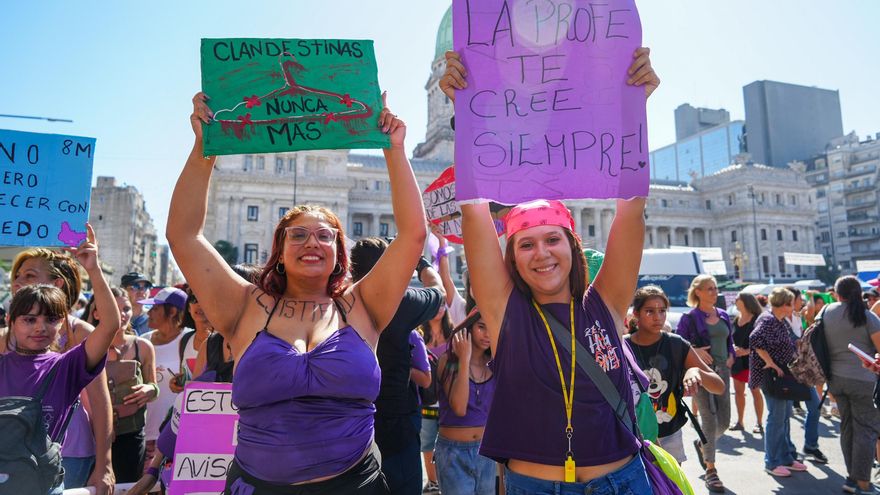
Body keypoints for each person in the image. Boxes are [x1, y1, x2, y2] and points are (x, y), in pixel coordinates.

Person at [168, 91, 425, 493]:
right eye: (298, 235)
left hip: (355, 484)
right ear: (280, 250)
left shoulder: (362, 305)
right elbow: (183, 236)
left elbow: (412, 236)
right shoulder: (245, 305)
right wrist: (206, 147)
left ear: (339, 253)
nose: (312, 243)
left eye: (325, 236)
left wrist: (394, 149)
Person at [446, 44, 659, 493]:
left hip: (623, 481)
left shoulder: (606, 303)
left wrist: (633, 108)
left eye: (552, 239)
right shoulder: (506, 314)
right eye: (526, 244)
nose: (541, 253)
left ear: (573, 247)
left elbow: (631, 208)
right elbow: (473, 209)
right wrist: (466, 114)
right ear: (512, 259)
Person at [0, 225, 120, 495]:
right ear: (11, 321)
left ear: (62, 321)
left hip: (46, 484)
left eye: (51, 319)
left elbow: (110, 325)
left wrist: (94, 269)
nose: (40, 327)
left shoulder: (67, 366)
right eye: (29, 319)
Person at [350, 236, 445, 494]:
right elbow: (438, 291)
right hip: (396, 426)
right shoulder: (401, 302)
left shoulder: (337, 303)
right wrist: (420, 263)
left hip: (351, 426)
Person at [626, 286, 724, 471]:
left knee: (670, 484)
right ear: (636, 314)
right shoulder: (622, 346)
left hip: (669, 435)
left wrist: (696, 371)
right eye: (650, 311)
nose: (658, 317)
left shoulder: (676, 344)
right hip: (631, 436)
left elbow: (719, 386)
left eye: (662, 311)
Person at [85, 287, 158, 483]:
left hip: (131, 435)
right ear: (97, 313)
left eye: (126, 309)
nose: (122, 314)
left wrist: (149, 390)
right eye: (114, 309)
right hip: (92, 435)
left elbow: (154, 386)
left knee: (127, 487)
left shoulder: (143, 346)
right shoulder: (86, 345)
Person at [675, 274, 734, 489]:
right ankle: (711, 469)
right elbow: (678, 343)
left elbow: (729, 341)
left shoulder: (724, 315)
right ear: (697, 292)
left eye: (715, 288)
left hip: (723, 371)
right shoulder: (689, 317)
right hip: (700, 372)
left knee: (724, 422)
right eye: (709, 288)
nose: (714, 292)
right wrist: (696, 351)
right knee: (709, 419)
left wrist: (731, 355)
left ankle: (703, 443)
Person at [823, 276, 880, 494]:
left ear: (837, 294)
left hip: (835, 379)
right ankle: (863, 482)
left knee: (847, 427)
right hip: (864, 380)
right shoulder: (867, 316)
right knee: (866, 429)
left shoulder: (826, 312)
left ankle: (851, 478)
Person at [749, 287, 809, 478]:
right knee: (776, 419)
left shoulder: (776, 319)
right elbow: (754, 340)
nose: (794, 307)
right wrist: (771, 363)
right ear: (784, 304)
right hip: (773, 377)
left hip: (782, 375)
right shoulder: (768, 319)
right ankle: (772, 461)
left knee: (783, 418)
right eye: (791, 303)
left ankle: (785, 458)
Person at [435, 311, 497, 494]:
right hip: (453, 452)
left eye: (491, 328)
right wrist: (464, 359)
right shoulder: (448, 360)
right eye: (481, 327)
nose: (487, 334)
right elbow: (459, 408)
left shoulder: (494, 363)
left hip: (485, 452)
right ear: (469, 328)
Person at [138, 286, 189, 474]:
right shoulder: (143, 341)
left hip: (174, 433)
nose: (149, 313)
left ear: (173, 311)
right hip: (142, 432)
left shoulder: (190, 340)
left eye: (155, 308)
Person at [784, 287, 828, 464]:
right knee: (784, 415)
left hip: (801, 371)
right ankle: (788, 450)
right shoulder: (778, 320)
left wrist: (810, 297)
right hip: (786, 374)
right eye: (799, 299)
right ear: (790, 300)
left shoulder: (797, 317)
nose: (801, 302)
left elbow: (810, 312)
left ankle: (810, 445)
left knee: (815, 408)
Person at [419, 304, 454, 494]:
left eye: (442, 303)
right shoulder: (418, 334)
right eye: (435, 303)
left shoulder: (453, 334)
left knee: (449, 444)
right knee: (427, 443)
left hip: (450, 400)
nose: (439, 308)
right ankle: (433, 482)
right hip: (427, 400)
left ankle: (447, 481)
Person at [730, 292, 765, 435]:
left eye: (737, 299)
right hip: (737, 362)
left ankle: (759, 423)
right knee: (738, 392)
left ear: (745, 301)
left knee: (755, 391)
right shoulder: (736, 319)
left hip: (753, 361)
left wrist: (746, 351)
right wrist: (733, 348)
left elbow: (763, 343)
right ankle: (740, 422)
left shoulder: (757, 320)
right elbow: (731, 339)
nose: (734, 300)